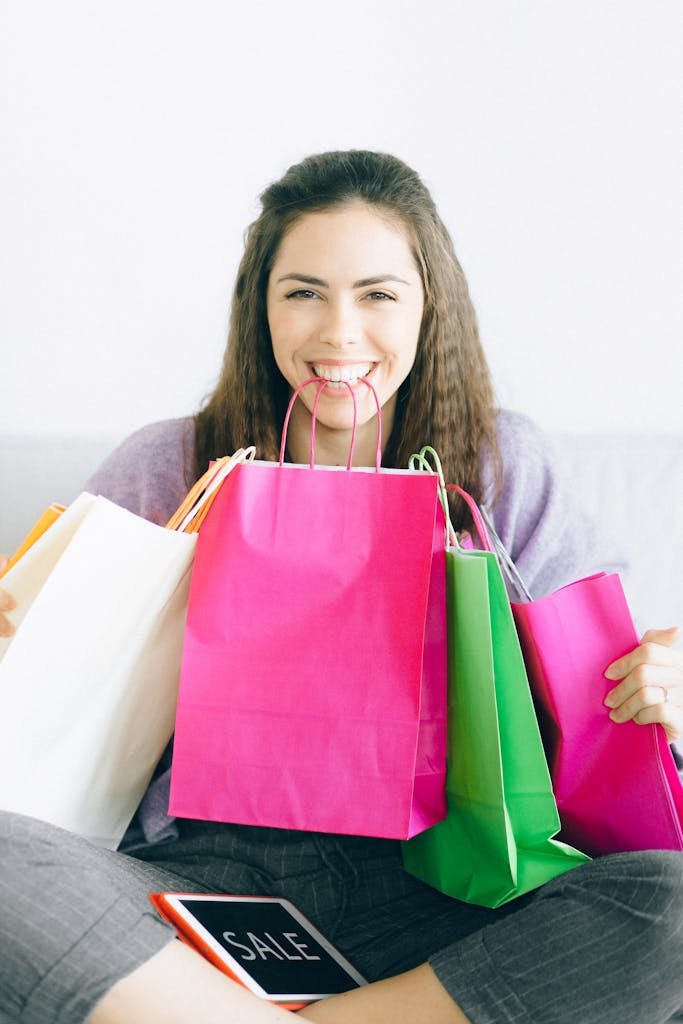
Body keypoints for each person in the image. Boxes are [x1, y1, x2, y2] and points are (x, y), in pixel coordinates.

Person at [0, 150, 681, 1024]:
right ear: (261, 308)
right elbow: (52, 709)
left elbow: (599, 712)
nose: (339, 335)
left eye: (377, 294)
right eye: (304, 292)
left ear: (427, 306)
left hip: (433, 890)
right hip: (190, 889)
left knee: (665, 901)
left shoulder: (498, 467)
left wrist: (654, 689)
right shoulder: (172, 462)